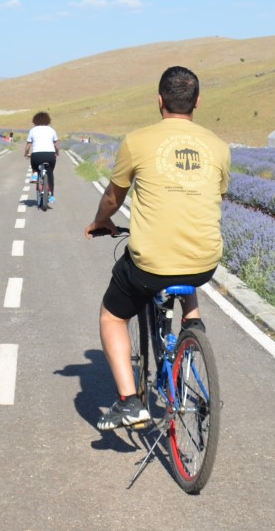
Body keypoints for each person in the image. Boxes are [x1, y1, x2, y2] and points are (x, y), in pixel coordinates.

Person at [85, 66, 230, 431]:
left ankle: (129, 403)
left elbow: (113, 197)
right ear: (197, 101)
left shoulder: (138, 140)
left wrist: (101, 220)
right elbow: (214, 197)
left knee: (113, 316)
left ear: (159, 101)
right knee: (187, 248)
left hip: (151, 266)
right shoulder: (218, 146)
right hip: (205, 262)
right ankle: (192, 319)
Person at [25, 112, 59, 202]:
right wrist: (57, 152)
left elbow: (28, 145)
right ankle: (51, 195)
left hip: (37, 155)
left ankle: (35, 174)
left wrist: (26, 153)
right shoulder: (52, 130)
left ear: (35, 120)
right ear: (48, 120)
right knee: (50, 173)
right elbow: (56, 145)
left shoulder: (33, 130)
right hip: (50, 155)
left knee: (34, 163)